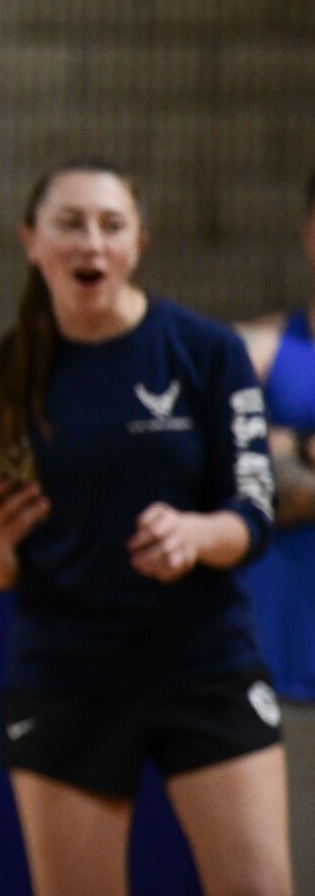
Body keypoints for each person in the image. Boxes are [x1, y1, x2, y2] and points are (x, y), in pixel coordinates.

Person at [0, 158, 290, 896]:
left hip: (205, 664)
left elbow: (255, 512)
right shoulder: (5, 379)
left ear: (139, 242)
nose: (91, 243)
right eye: (69, 224)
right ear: (32, 242)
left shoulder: (206, 354)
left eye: (111, 225)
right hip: (68, 674)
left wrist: (195, 536)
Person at [234, 167, 315, 886]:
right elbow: (250, 492)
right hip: (285, 693)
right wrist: (282, 467)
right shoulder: (259, 354)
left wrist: (298, 450)